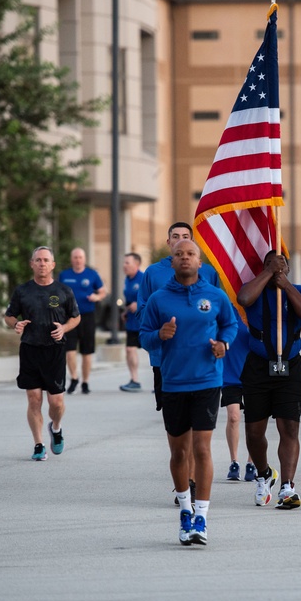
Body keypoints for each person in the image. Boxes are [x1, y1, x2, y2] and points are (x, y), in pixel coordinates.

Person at [141, 239, 236, 545]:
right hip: (173, 384)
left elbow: (229, 325)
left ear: (199, 261)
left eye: (190, 254)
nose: (185, 258)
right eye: (179, 254)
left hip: (207, 382)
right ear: (172, 260)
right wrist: (159, 334)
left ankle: (202, 518)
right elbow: (144, 337)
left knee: (202, 449)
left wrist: (224, 345)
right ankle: (184, 511)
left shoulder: (214, 295)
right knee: (179, 452)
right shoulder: (159, 299)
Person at [236, 252, 301, 509]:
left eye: (282, 265)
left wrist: (286, 285)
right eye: (271, 264)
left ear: (289, 268)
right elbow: (243, 298)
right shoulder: (254, 289)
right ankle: (263, 474)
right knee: (254, 432)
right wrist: (269, 273)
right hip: (258, 368)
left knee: (289, 428)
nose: (277, 268)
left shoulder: (300, 289)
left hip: (290, 368)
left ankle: (287, 486)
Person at [4, 246, 81, 461]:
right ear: (32, 264)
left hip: (54, 350)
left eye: (46, 260)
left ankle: (55, 428)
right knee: (34, 399)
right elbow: (9, 315)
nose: (42, 264)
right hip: (29, 349)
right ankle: (38, 444)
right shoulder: (22, 291)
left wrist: (64, 328)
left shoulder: (64, 291)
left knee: (56, 403)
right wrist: (16, 324)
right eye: (38, 260)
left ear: (53, 265)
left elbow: (76, 317)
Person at [137, 223, 220, 413]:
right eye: (175, 236)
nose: (180, 240)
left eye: (185, 236)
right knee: (173, 415)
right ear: (169, 242)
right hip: (165, 355)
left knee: (199, 414)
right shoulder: (153, 272)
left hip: (201, 355)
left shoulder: (207, 272)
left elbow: (219, 311)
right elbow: (142, 310)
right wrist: (160, 330)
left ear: (192, 241)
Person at [59, 247, 107, 395]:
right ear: (71, 259)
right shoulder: (64, 275)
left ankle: (85, 381)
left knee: (87, 352)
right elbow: (57, 292)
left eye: (80, 257)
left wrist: (97, 297)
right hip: (69, 317)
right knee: (69, 351)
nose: (78, 260)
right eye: (75, 257)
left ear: (84, 259)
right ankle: (74, 378)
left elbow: (102, 291)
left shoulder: (92, 275)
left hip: (87, 316)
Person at [221, 310, 254, 483]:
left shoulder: (254, 311)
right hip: (230, 374)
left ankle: (252, 462)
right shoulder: (227, 309)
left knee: (253, 420)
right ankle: (234, 462)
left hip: (253, 374)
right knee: (233, 416)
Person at [120, 253, 144, 392]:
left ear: (137, 264)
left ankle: (159, 381)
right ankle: (134, 380)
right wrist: (125, 312)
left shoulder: (144, 279)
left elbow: (153, 297)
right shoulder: (127, 280)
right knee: (130, 349)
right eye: (124, 263)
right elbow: (129, 300)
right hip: (131, 322)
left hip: (144, 322)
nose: (124, 265)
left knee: (152, 351)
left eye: (127, 263)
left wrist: (139, 304)